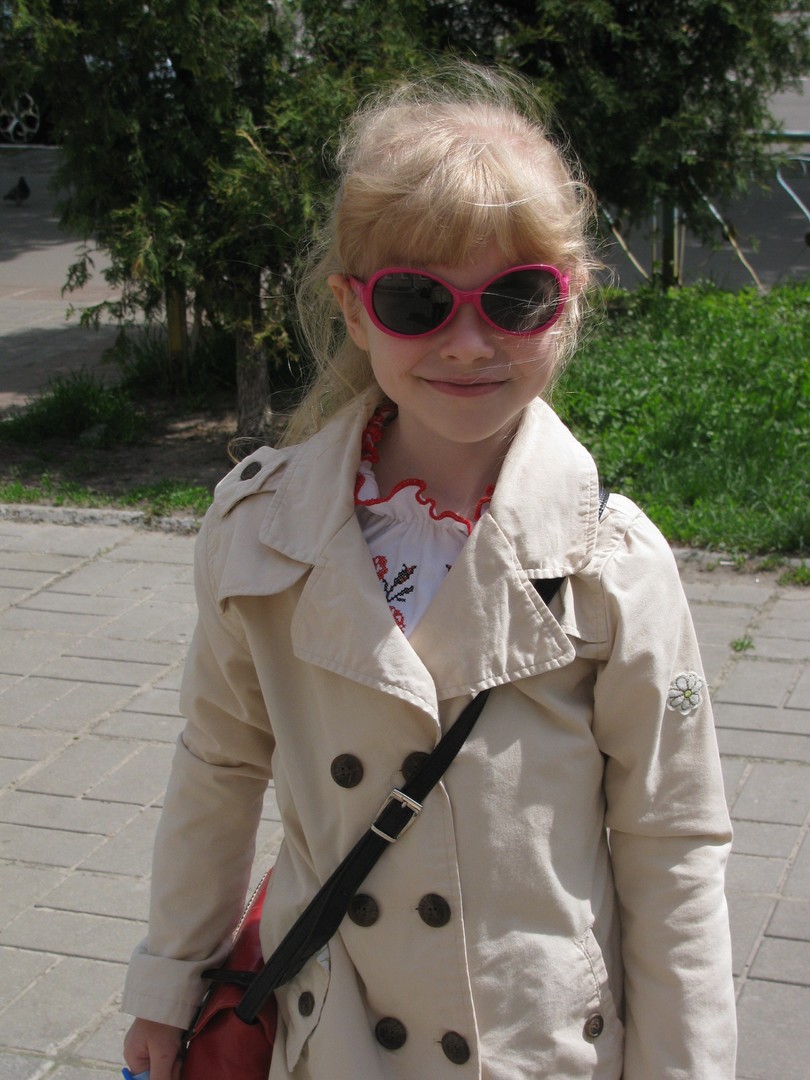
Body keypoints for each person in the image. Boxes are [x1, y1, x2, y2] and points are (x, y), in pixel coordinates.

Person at [122, 64, 737, 1079]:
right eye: (418, 300)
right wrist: (170, 978)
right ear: (354, 309)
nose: (467, 343)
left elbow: (671, 844)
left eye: (515, 298)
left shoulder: (613, 564)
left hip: (535, 1048)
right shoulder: (263, 534)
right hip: (340, 1038)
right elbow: (217, 770)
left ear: (568, 301)